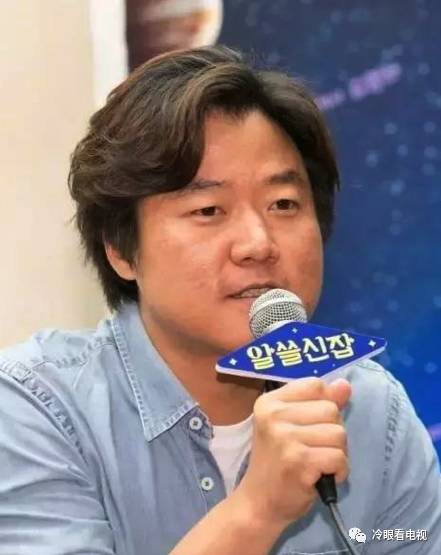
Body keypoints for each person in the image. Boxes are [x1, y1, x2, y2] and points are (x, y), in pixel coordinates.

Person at [0, 45, 439, 555]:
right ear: (120, 249)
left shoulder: (369, 410)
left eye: (283, 204)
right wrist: (258, 510)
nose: (258, 243)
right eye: (208, 210)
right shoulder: (37, 408)